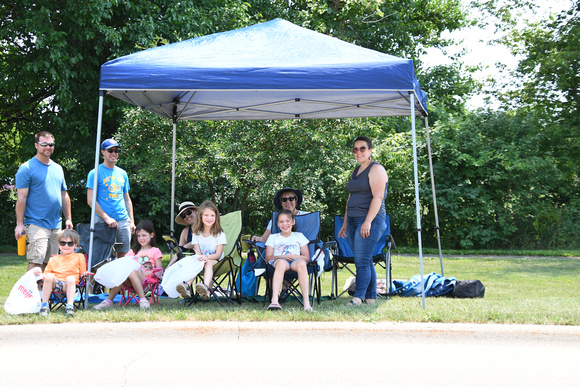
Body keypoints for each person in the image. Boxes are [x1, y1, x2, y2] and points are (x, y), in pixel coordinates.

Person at [338, 136, 388, 306]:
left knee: (361, 260)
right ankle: (371, 297)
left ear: (370, 150)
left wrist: (367, 222)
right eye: (355, 149)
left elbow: (378, 197)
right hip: (352, 220)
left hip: (370, 220)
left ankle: (357, 298)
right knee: (365, 259)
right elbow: (350, 198)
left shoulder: (377, 169)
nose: (358, 152)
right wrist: (345, 223)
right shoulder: (356, 170)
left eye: (362, 149)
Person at [15, 131, 73, 272]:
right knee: (36, 262)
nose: (48, 147)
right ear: (36, 145)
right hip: (36, 223)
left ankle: (43, 293)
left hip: (55, 224)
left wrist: (69, 219)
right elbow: (21, 198)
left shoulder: (58, 168)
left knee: (51, 263)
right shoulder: (26, 168)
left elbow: (64, 195)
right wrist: (19, 224)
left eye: (51, 144)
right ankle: (30, 293)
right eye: (44, 144)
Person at [93, 220, 163, 310]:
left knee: (131, 271)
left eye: (144, 235)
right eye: (138, 236)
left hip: (147, 283)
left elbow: (159, 272)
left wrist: (144, 274)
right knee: (125, 272)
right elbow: (123, 264)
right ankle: (108, 301)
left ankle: (142, 299)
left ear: (152, 235)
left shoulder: (155, 251)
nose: (141, 238)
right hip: (130, 282)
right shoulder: (132, 252)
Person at [86, 139, 135, 258]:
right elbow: (90, 200)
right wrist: (107, 218)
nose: (114, 153)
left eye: (116, 151)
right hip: (103, 222)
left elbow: (127, 199)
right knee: (102, 256)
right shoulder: (94, 173)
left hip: (123, 220)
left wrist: (132, 221)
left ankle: (122, 278)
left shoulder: (122, 173)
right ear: (103, 152)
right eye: (110, 150)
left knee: (123, 256)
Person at [175, 201, 227, 301]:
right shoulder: (197, 234)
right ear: (201, 217)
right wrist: (200, 258)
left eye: (212, 215)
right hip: (201, 260)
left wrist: (206, 257)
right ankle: (186, 286)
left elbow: (218, 254)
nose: (209, 218)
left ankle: (206, 288)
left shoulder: (219, 234)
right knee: (195, 262)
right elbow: (197, 253)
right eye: (206, 215)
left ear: (216, 217)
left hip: (216, 260)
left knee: (207, 263)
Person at [32, 229, 88, 317]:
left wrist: (84, 274)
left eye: (70, 243)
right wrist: (37, 273)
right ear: (58, 244)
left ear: (75, 246)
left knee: (70, 278)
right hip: (56, 284)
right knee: (49, 276)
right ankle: (44, 305)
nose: (66, 246)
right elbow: (46, 276)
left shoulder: (79, 256)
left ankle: (69, 306)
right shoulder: (53, 258)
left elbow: (82, 273)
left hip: (70, 285)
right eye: (63, 243)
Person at [265, 210, 312, 312]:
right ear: (277, 224)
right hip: (279, 261)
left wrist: (295, 256)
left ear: (293, 222)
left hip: (296, 261)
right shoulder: (273, 237)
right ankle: (274, 301)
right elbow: (268, 257)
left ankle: (307, 303)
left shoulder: (299, 236)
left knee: (302, 264)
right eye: (281, 222)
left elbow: (307, 257)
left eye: (287, 221)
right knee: (281, 263)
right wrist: (283, 257)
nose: (285, 224)